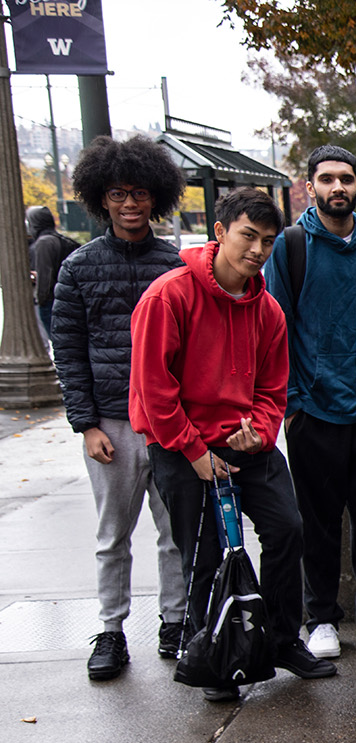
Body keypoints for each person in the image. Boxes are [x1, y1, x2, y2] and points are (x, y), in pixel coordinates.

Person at [131, 188, 336, 702]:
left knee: (288, 530)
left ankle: (285, 640)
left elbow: (271, 390)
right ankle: (214, 656)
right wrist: (195, 453)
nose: (258, 250)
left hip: (247, 447)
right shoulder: (168, 296)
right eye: (249, 236)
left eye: (268, 240)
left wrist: (260, 433)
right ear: (220, 233)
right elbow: (153, 390)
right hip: (183, 449)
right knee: (205, 555)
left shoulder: (267, 310)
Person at [51, 136, 189, 682]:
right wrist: (85, 424)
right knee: (113, 534)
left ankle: (175, 624)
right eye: (117, 193)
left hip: (168, 421)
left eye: (139, 193)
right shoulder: (79, 267)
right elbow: (68, 349)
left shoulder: (175, 263)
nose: (130, 203)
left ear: (155, 197)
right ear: (100, 198)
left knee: (175, 530)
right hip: (110, 421)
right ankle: (111, 630)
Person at [263, 144, 356, 661]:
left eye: (346, 179)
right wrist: (293, 402)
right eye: (326, 179)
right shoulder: (291, 246)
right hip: (312, 411)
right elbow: (272, 326)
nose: (336, 188)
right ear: (310, 186)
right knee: (315, 522)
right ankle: (320, 617)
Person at [26, 205, 70, 345]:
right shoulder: (59, 239)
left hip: (51, 300)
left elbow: (45, 276)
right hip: (61, 297)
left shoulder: (44, 242)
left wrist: (41, 299)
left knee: (58, 342)